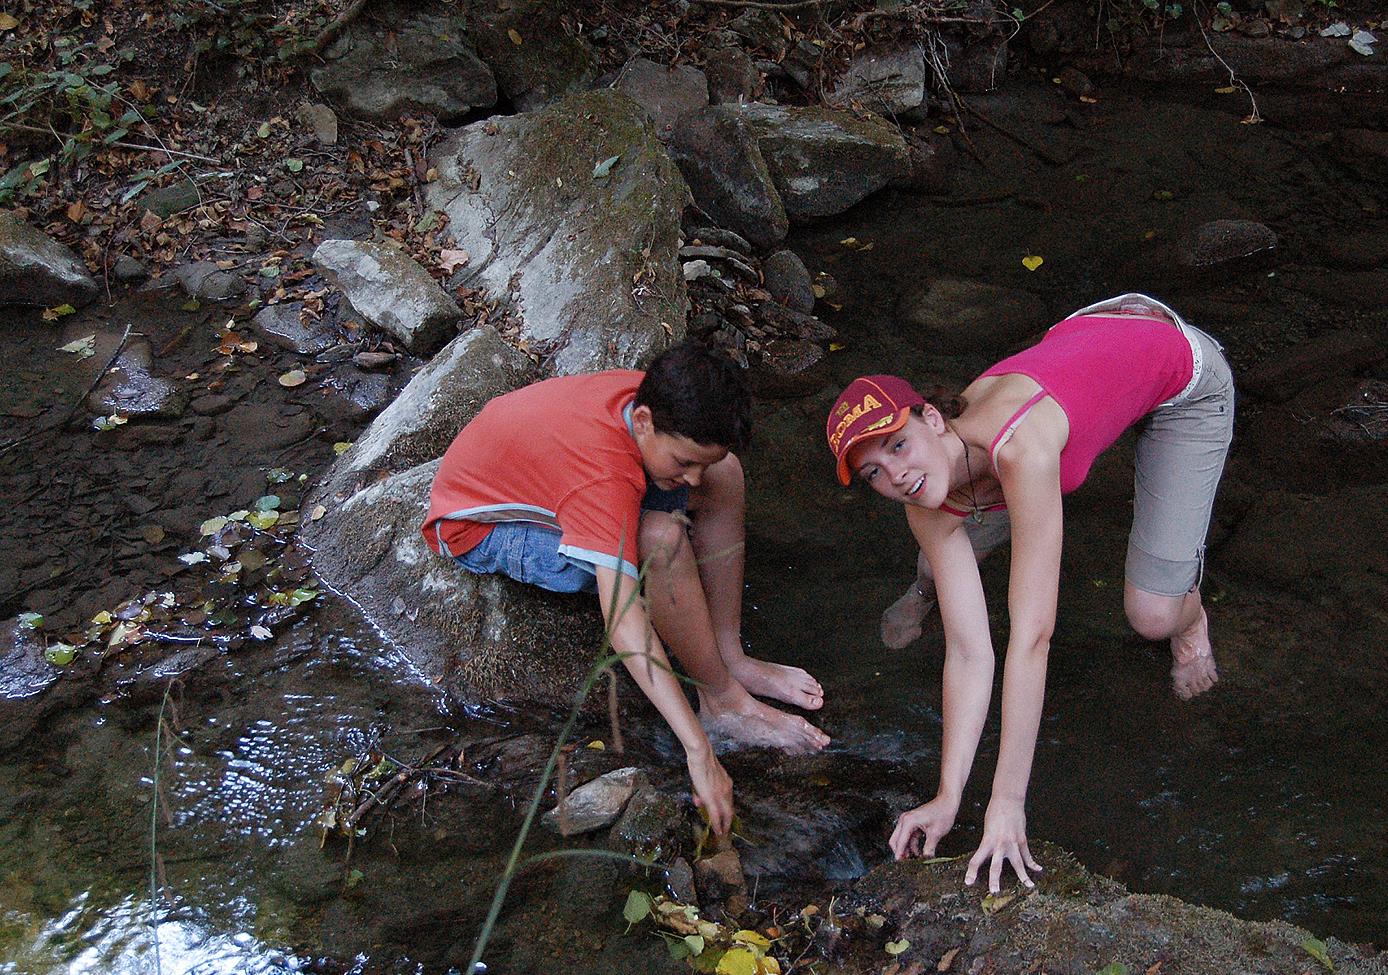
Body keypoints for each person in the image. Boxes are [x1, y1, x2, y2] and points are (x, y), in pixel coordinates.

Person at [825, 293, 1233, 891]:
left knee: (1150, 614)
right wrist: (948, 795)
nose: (896, 475)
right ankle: (929, 581)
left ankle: (1189, 617)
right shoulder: (928, 480)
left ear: (932, 418)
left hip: (1180, 373)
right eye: (873, 474)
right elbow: (969, 652)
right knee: (938, 525)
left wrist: (1006, 804)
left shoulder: (1023, 448)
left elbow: (1032, 637)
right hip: (1089, 345)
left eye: (898, 445)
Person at [425, 341, 829, 835]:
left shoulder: (653, 400)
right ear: (642, 422)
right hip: (478, 527)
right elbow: (622, 621)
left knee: (725, 477)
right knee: (660, 540)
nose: (692, 477)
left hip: (540, 473)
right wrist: (698, 749)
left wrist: (695, 469)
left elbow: (700, 466)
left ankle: (731, 657)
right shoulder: (604, 476)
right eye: (683, 462)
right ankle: (720, 701)